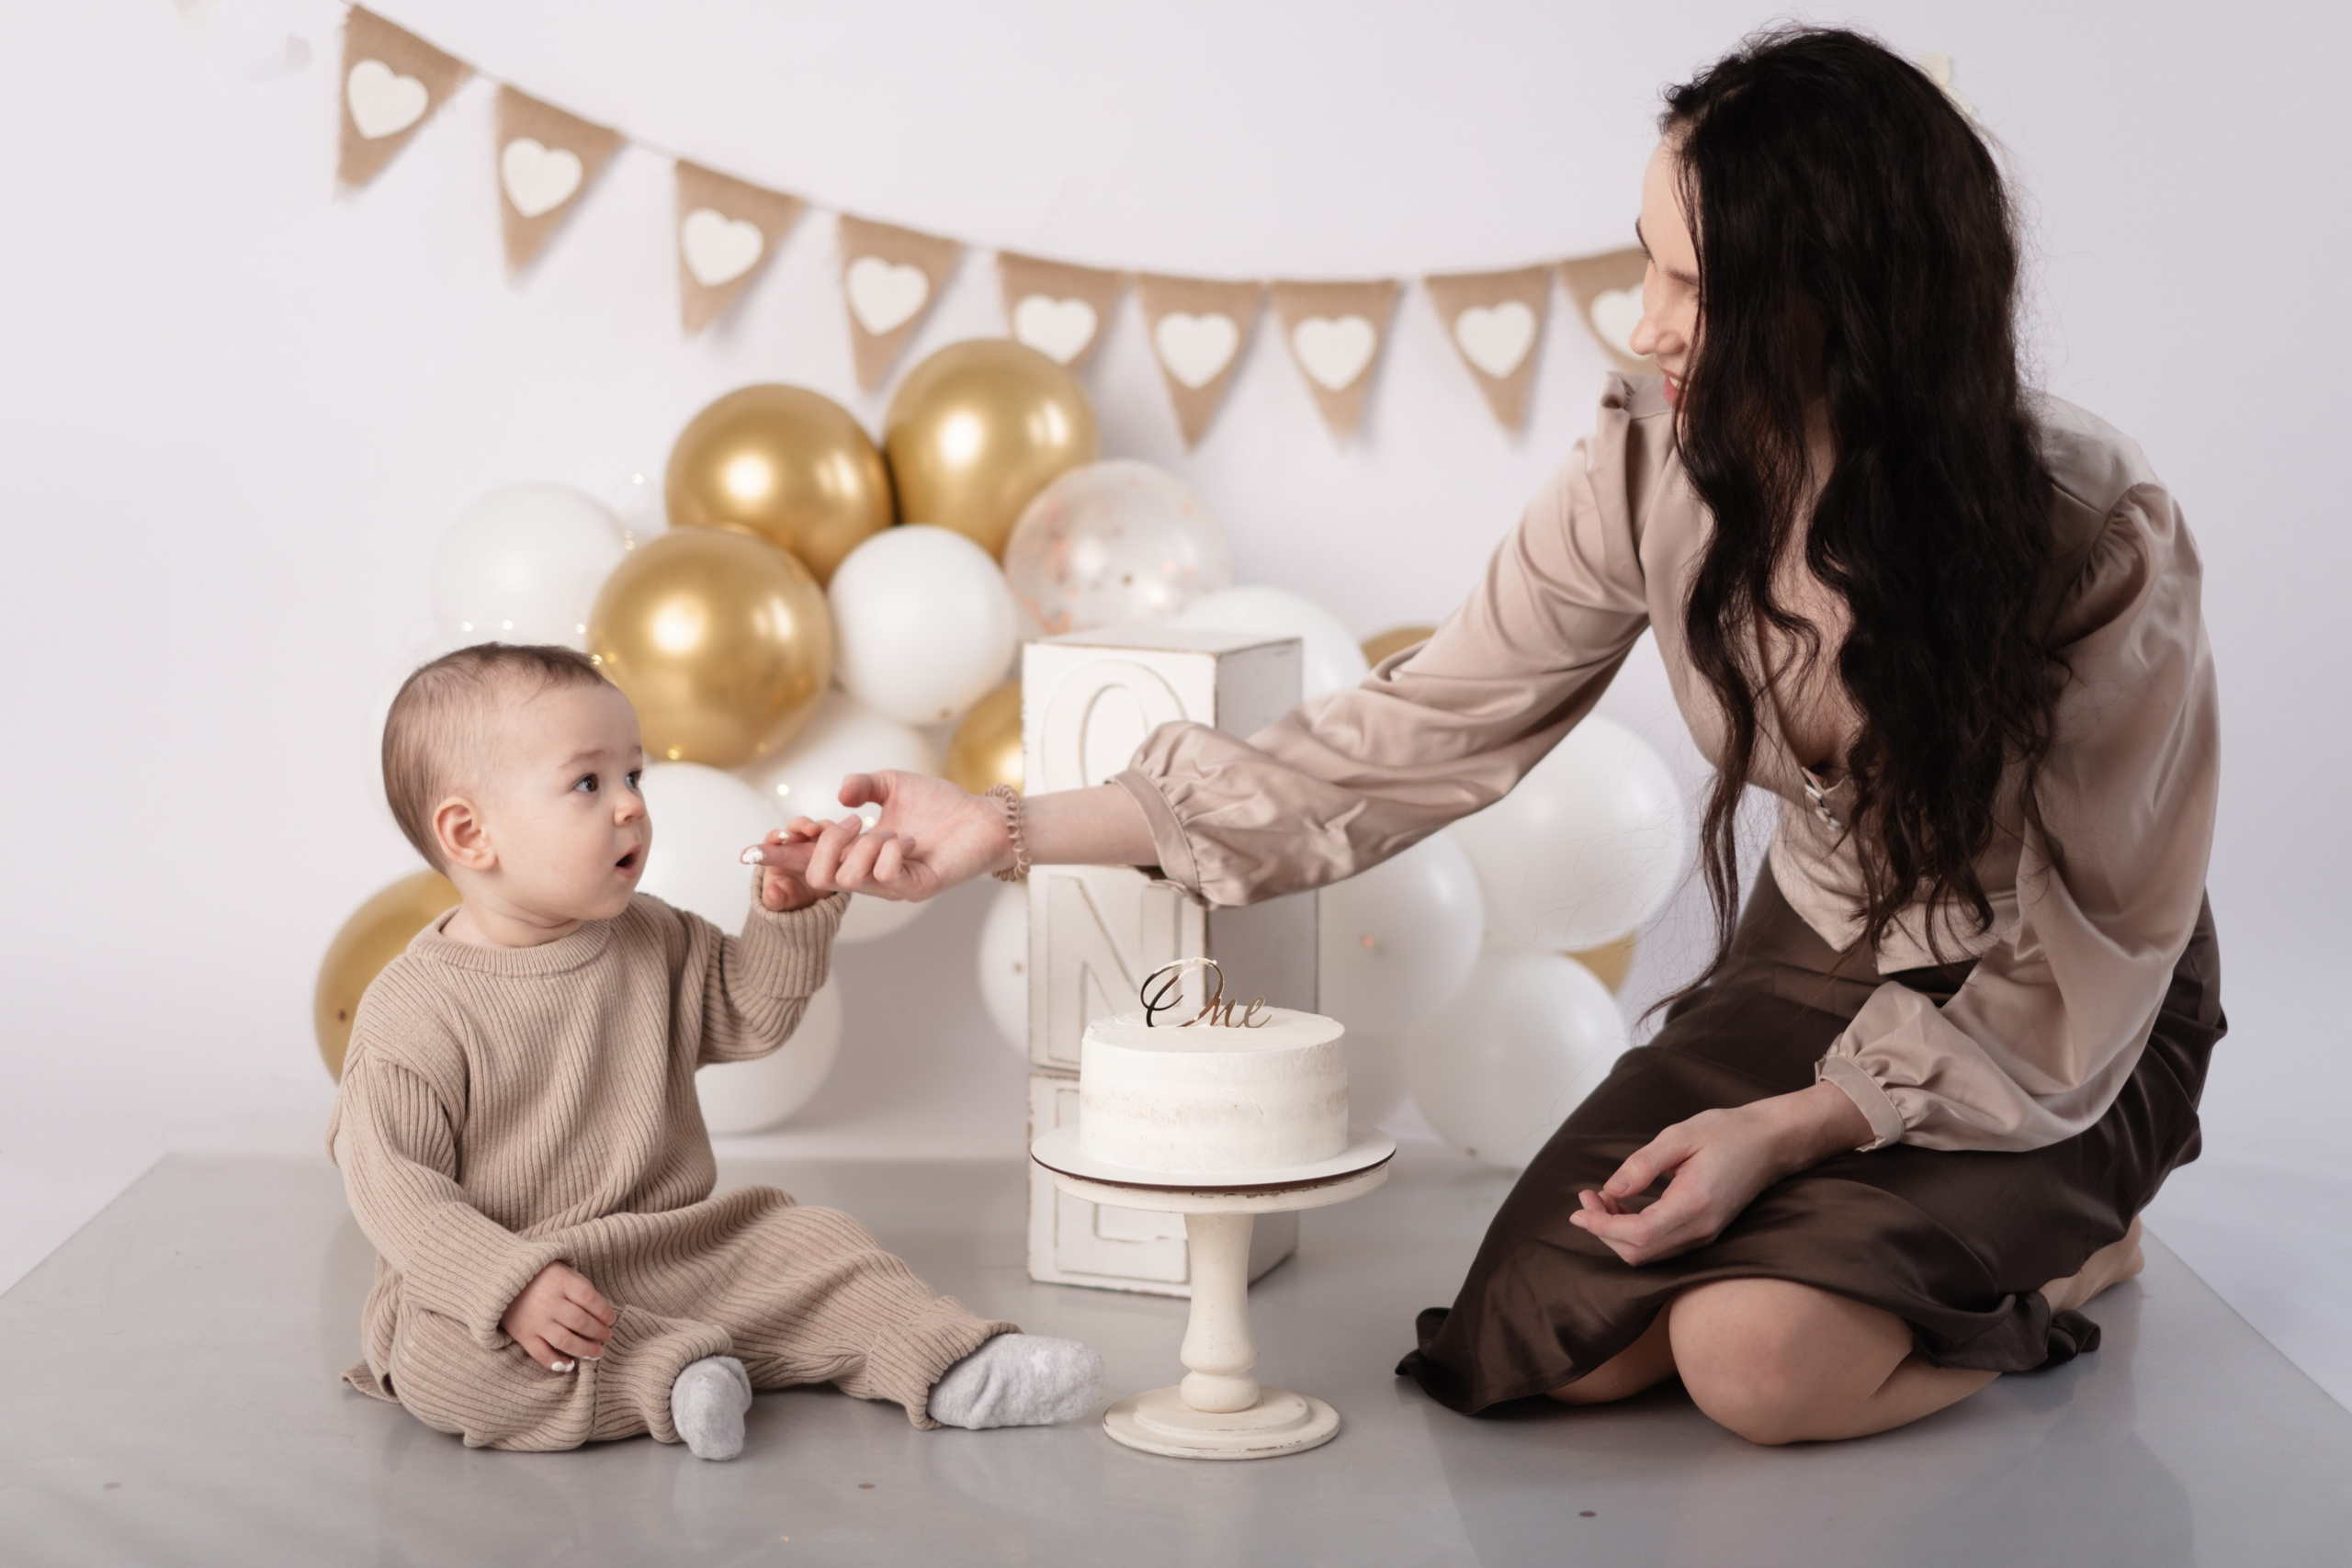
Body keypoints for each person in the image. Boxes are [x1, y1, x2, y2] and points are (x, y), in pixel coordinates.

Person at [760, 26, 2223, 1448]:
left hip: (2057, 999)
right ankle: (1853, 1248)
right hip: (1821, 950)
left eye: (1691, 285)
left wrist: (1789, 1131)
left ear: (1848, 306)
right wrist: (1001, 826)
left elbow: (2100, 931)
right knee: (1552, 1348)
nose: (1645, 322)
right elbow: (1412, 732)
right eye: (1643, 260)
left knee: (1759, 1361)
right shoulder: (1651, 466)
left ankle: (2068, 1253)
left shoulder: (2093, 539)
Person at [330, 643, 1100, 1457]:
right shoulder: (413, 1010)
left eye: (635, 776)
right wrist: (507, 1285)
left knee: (816, 1244)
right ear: (469, 832)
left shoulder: (650, 935)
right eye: (589, 782)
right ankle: (664, 1374)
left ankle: (949, 1358)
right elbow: (397, 1192)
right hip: (508, 1280)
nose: (629, 805)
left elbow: (747, 1014)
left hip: (672, 1247)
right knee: (440, 1362)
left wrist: (791, 913)